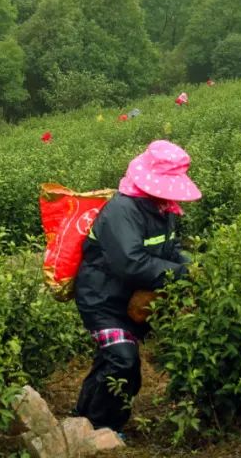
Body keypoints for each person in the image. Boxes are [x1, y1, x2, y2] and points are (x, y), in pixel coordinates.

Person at [74, 140, 198, 434]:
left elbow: (170, 249)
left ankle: (82, 419)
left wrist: (192, 265)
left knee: (111, 359)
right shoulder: (122, 210)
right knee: (123, 363)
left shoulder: (162, 209)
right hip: (102, 300)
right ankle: (103, 430)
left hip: (129, 299)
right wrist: (181, 273)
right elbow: (131, 262)